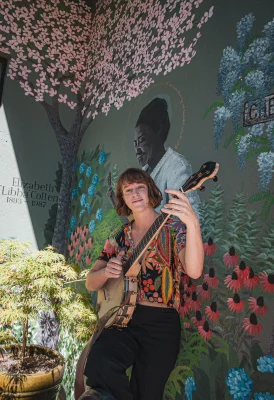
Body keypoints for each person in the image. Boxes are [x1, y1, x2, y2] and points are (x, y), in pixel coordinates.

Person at [81, 168, 204, 400]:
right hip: (122, 319)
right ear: (123, 198)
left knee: (147, 392)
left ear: (150, 192)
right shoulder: (119, 237)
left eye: (140, 188)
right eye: (128, 190)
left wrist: (193, 224)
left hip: (161, 324)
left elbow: (195, 270)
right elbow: (91, 281)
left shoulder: (173, 228)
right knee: (100, 362)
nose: (135, 194)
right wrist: (107, 271)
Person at [134, 97, 200, 215]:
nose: (137, 151)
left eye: (142, 140)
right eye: (135, 144)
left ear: (158, 131)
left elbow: (191, 219)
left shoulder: (177, 166)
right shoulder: (144, 174)